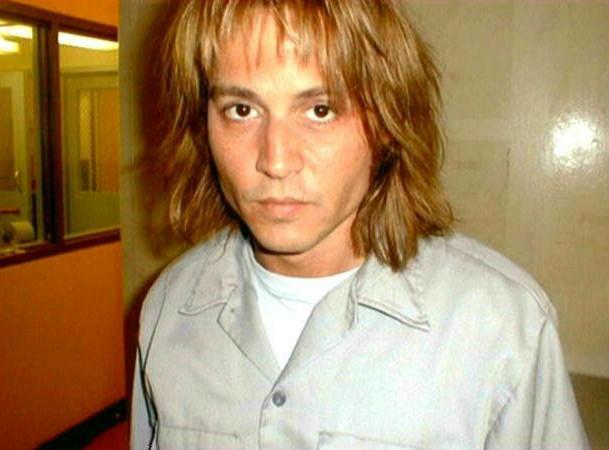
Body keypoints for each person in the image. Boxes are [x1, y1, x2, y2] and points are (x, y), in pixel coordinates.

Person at [131, 1, 589, 448]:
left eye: (320, 110)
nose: (276, 160)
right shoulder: (169, 307)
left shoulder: (502, 327)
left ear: (387, 122)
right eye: (242, 110)